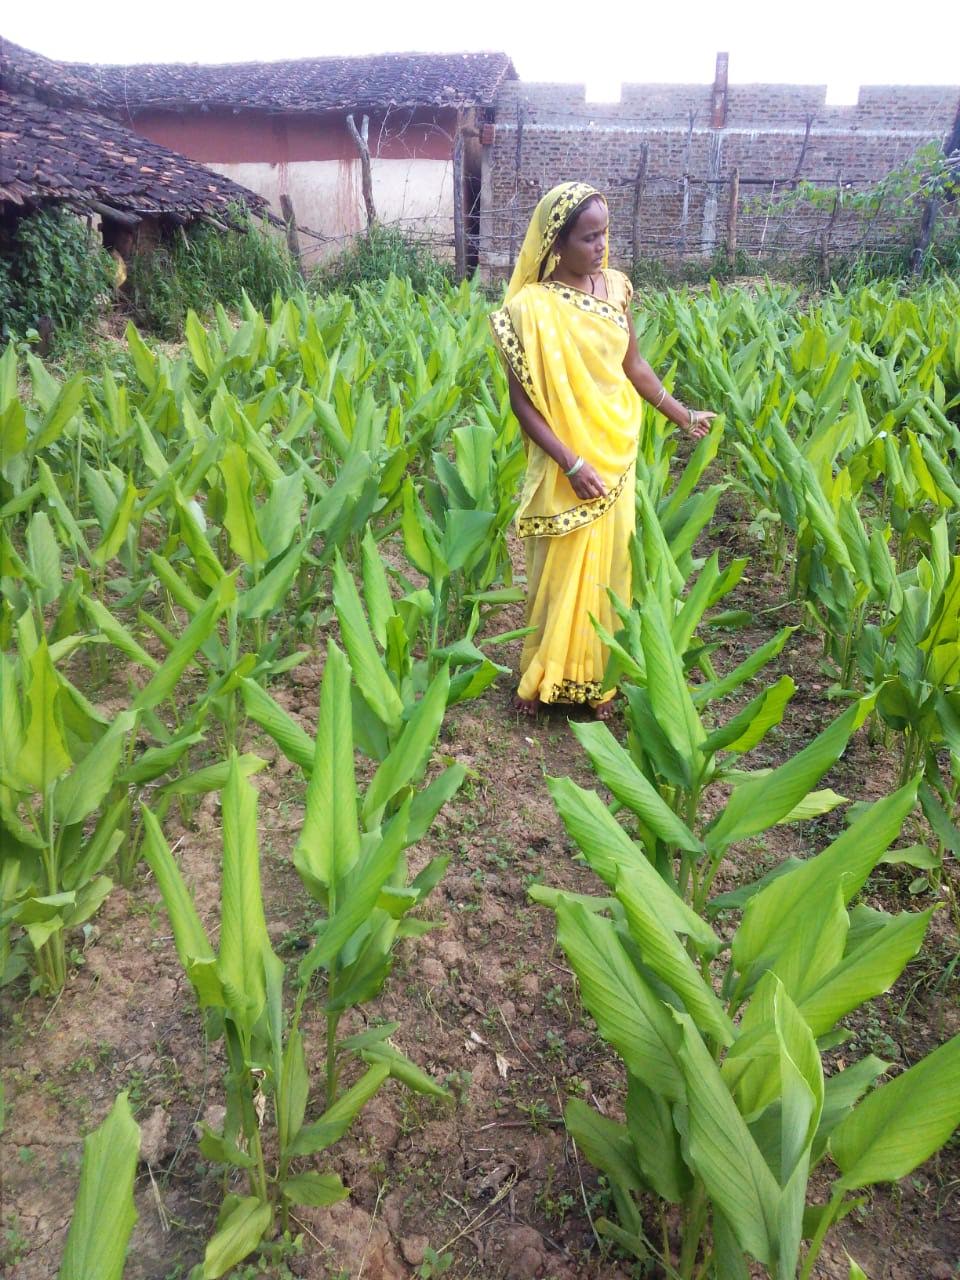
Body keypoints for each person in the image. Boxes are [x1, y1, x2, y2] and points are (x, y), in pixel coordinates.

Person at [490, 181, 716, 720]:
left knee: (610, 570)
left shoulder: (615, 288)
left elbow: (632, 366)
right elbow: (524, 406)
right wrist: (570, 462)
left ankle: (597, 681)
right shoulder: (529, 310)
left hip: (617, 451)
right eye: (588, 237)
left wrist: (682, 413)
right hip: (571, 460)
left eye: (604, 234)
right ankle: (545, 675)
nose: (600, 246)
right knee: (562, 569)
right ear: (556, 243)